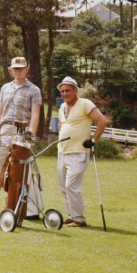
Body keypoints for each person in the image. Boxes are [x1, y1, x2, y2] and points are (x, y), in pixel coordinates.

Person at [0, 56, 43, 216]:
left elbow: (35, 116)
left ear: (26, 70)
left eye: (21, 68)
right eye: (15, 69)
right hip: (4, 132)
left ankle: (23, 208)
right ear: (11, 70)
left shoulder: (34, 90)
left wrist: (30, 137)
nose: (18, 71)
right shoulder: (5, 88)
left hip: (22, 133)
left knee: (21, 172)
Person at [56, 76, 108, 227]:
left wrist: (93, 140)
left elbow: (102, 121)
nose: (65, 94)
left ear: (75, 90)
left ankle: (79, 219)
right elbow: (61, 124)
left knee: (71, 186)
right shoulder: (62, 107)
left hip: (78, 153)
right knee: (63, 187)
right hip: (62, 152)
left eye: (67, 91)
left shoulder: (85, 104)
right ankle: (71, 216)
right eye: (62, 91)